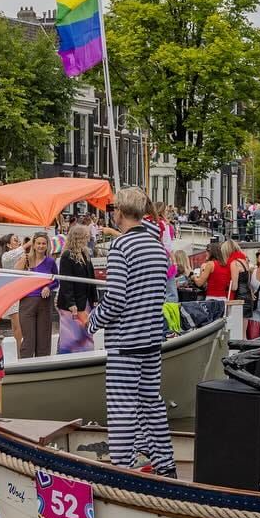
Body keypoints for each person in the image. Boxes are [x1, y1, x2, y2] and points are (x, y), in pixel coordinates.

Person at [87, 187, 174, 476]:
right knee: (152, 405)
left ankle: (122, 472)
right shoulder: (158, 248)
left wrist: (92, 321)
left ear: (120, 213)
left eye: (113, 210)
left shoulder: (121, 248)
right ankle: (166, 466)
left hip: (126, 343)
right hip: (151, 341)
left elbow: (115, 300)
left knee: (121, 409)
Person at [56, 224, 98, 354]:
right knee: (71, 334)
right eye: (84, 237)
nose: (87, 240)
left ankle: (86, 354)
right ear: (77, 238)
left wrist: (94, 298)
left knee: (85, 330)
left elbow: (91, 277)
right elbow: (65, 281)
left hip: (85, 301)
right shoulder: (67, 256)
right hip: (72, 303)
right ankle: (68, 356)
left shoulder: (85, 254)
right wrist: (71, 303)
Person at [19, 232, 57, 358]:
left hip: (44, 302)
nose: (41, 246)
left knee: (44, 339)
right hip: (27, 302)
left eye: (44, 243)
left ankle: (43, 367)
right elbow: (15, 276)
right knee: (28, 339)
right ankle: (25, 367)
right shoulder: (25, 260)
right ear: (33, 245)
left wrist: (48, 287)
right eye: (38, 243)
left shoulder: (50, 262)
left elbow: (56, 280)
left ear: (47, 246)